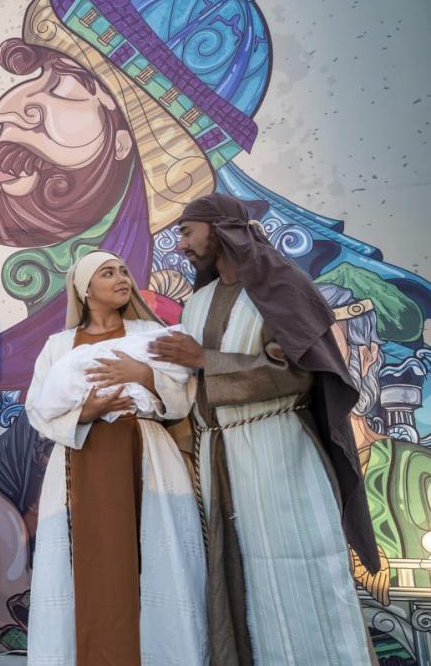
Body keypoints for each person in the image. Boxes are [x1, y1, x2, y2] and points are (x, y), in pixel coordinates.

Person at [150, 193, 378, 665]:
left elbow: (296, 373)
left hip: (280, 450)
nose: (182, 246)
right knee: (241, 574)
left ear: (220, 229)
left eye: (188, 232)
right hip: (221, 455)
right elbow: (188, 385)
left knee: (300, 566)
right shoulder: (200, 302)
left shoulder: (281, 286)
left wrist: (204, 360)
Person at [26, 251, 205, 666]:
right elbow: (38, 409)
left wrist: (142, 376)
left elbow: (183, 395)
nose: (121, 278)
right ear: (85, 290)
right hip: (81, 459)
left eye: (124, 271)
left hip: (143, 452)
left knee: (155, 558)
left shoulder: (150, 333)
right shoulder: (58, 346)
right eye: (108, 273)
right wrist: (85, 411)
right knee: (87, 565)